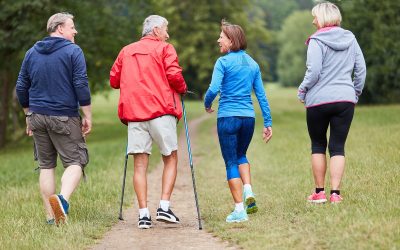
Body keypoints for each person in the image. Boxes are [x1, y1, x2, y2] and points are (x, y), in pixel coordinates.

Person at [110, 15, 187, 229]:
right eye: (165, 29)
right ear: (155, 30)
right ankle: (163, 207)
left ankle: (143, 215)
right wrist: (182, 88)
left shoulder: (126, 51)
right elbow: (173, 75)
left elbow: (114, 80)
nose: (167, 34)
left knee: (139, 165)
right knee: (170, 157)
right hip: (161, 110)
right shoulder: (165, 48)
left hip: (135, 115)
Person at [16, 12, 92, 225]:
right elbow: (81, 84)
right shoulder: (73, 51)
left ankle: (52, 218)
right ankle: (62, 200)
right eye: (72, 27)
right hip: (63, 116)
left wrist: (28, 114)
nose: (75, 30)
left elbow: (21, 86)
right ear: (60, 28)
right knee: (76, 161)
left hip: (37, 116)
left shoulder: (32, 52)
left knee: (46, 166)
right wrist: (87, 115)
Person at [204, 20, 273, 223]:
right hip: (248, 119)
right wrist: (267, 122)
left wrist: (207, 104)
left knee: (231, 161)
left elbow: (213, 89)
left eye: (222, 37)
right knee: (242, 154)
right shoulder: (253, 64)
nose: (219, 40)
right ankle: (248, 190)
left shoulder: (222, 62)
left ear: (232, 40)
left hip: (228, 117)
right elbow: (261, 95)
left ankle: (239, 210)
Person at [298, 2, 366, 204]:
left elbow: (314, 71)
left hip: (318, 101)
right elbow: (361, 70)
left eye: (315, 17)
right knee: (338, 147)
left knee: (318, 144)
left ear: (323, 18)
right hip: (345, 100)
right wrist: (354, 93)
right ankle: (335, 194)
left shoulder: (316, 41)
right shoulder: (351, 39)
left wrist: (302, 90)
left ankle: (319, 193)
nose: (313, 21)